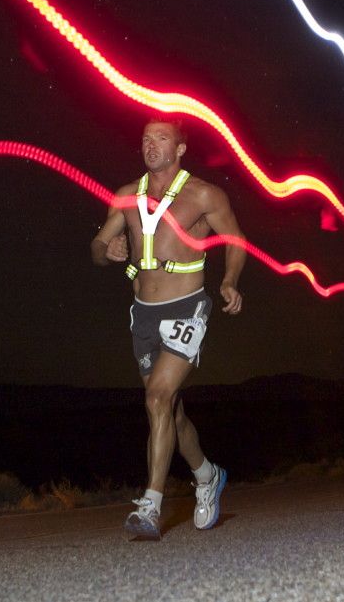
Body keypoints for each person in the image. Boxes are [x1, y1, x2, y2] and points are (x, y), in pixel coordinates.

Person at [91, 117, 246, 539]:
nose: (150, 145)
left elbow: (235, 240)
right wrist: (109, 249)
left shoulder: (204, 194)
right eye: (145, 138)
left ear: (180, 149)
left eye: (161, 138)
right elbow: (98, 246)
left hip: (186, 307)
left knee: (158, 397)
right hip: (142, 313)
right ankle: (208, 475)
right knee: (171, 414)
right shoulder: (126, 196)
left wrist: (229, 280)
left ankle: (150, 506)